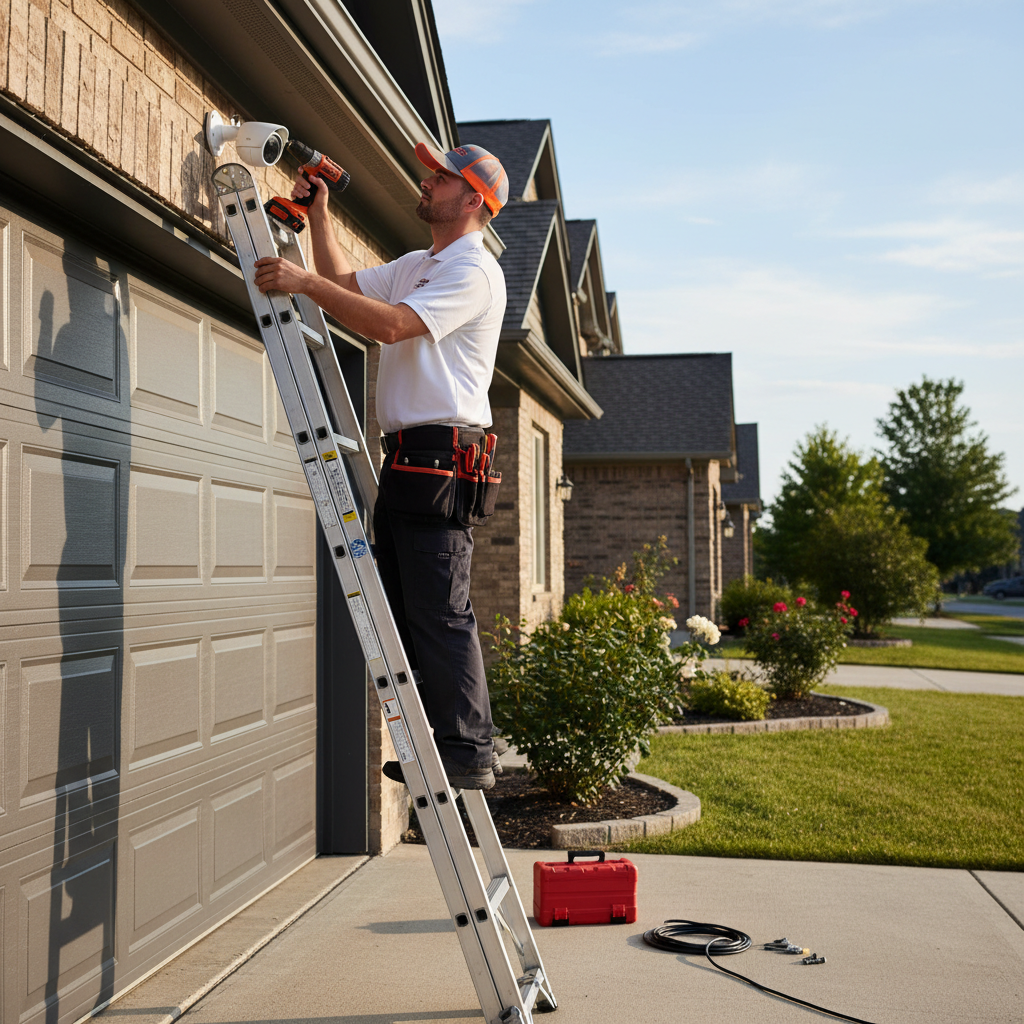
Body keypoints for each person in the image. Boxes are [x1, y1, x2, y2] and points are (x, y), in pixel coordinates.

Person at [253, 142, 509, 790]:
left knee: (441, 612)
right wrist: (319, 217)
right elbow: (345, 288)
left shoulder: (471, 272)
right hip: (409, 458)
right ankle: (436, 739)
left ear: (473, 200)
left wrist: (300, 282)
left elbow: (391, 328)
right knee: (404, 607)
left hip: (440, 458)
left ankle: (468, 751)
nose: (425, 183)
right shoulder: (422, 263)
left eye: (440, 178)